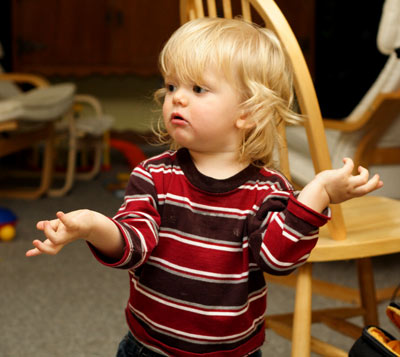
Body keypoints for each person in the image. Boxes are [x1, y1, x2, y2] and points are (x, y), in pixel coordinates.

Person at [26, 17, 383, 357]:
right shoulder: (154, 174)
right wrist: (91, 224)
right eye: (171, 86)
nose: (177, 98)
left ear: (248, 111)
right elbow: (133, 244)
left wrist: (317, 192)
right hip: (147, 346)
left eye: (198, 89)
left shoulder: (269, 190)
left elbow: (277, 259)